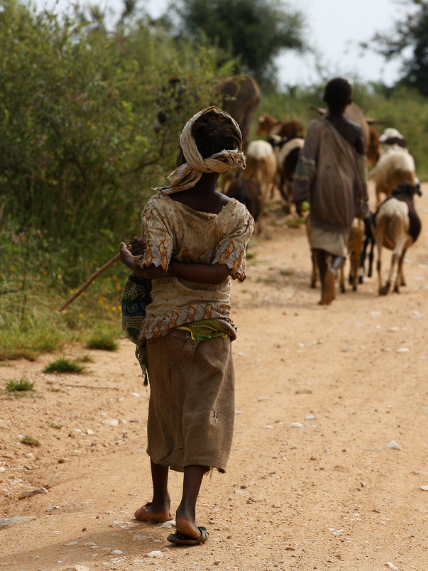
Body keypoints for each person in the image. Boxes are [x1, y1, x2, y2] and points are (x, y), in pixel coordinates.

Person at [119, 106, 254, 546]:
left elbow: (154, 269)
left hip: (163, 329)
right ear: (229, 160)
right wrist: (173, 263)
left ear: (187, 152)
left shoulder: (160, 206)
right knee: (205, 416)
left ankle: (158, 501)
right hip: (214, 328)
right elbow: (220, 275)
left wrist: (136, 262)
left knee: (164, 410)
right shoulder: (238, 215)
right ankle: (186, 512)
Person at [292, 78, 369, 305]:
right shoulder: (356, 131)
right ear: (349, 102)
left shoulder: (316, 127)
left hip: (320, 190)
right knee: (341, 239)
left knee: (318, 240)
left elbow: (306, 164)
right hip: (347, 190)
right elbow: (362, 169)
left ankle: (325, 276)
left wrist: (300, 196)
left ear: (325, 100)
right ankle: (336, 268)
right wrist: (363, 199)